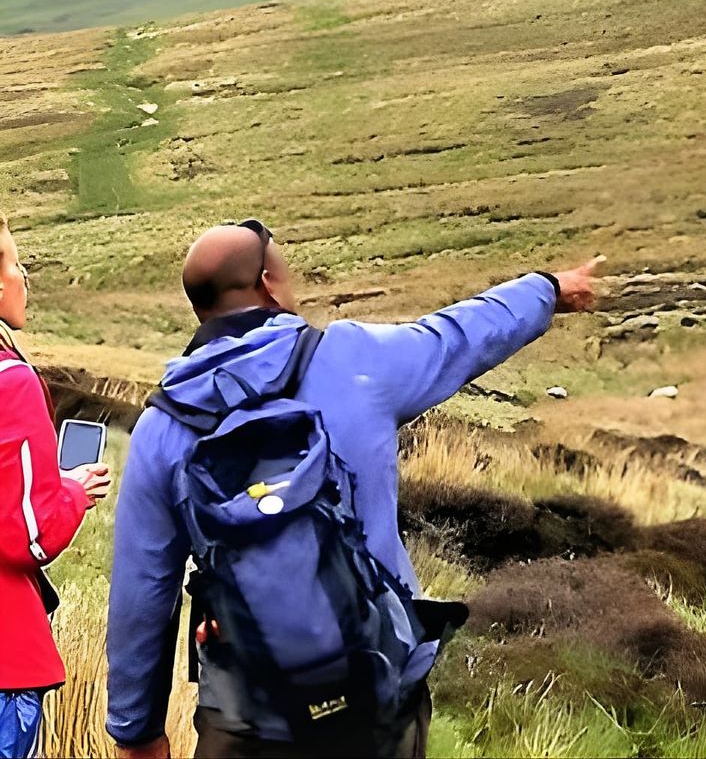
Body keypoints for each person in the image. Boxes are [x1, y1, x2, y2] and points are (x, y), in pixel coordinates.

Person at [106, 219, 602, 759]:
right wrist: (546, 290)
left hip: (247, 712)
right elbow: (460, 335)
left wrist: (139, 732)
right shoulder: (355, 358)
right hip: (378, 691)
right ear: (269, 283)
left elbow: (143, 592)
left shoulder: (163, 427)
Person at [0, 214, 111, 759]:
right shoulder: (11, 383)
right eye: (16, 264)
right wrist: (72, 492)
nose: (24, 277)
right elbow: (29, 536)